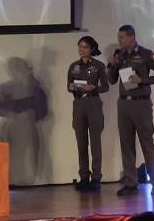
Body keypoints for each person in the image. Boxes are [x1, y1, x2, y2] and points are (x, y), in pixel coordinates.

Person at [107, 25, 154, 196]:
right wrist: (113, 65)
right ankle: (131, 183)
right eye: (118, 37)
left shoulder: (147, 54)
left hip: (141, 103)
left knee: (147, 143)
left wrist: (142, 80)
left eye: (122, 37)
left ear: (132, 37)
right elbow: (112, 80)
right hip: (123, 104)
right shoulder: (119, 55)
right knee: (126, 144)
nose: (119, 41)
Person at [67, 36, 109, 192]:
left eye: (85, 47)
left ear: (91, 49)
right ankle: (84, 177)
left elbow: (105, 86)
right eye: (80, 46)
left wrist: (93, 88)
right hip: (79, 104)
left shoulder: (98, 66)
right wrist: (71, 87)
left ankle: (96, 178)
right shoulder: (73, 66)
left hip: (93, 103)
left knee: (95, 142)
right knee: (81, 142)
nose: (81, 50)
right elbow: (68, 85)